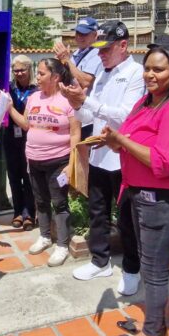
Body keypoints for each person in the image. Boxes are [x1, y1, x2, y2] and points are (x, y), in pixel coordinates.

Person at [102, 43, 169, 336]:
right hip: (140, 195)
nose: (150, 74)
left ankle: (151, 334)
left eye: (158, 69)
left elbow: (165, 161)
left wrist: (121, 141)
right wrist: (117, 142)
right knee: (148, 265)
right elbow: (133, 141)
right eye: (147, 68)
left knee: (155, 270)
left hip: (164, 200)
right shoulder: (146, 103)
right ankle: (153, 320)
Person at [60, 21, 145, 296]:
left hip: (123, 158)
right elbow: (88, 116)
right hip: (98, 154)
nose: (101, 54)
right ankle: (100, 261)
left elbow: (124, 115)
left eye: (106, 49)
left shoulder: (136, 74)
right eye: (99, 49)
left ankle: (132, 269)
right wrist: (76, 103)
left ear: (123, 46)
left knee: (126, 220)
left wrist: (88, 103)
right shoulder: (104, 75)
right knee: (97, 211)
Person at [7, 58, 81, 267]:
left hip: (59, 161)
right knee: (40, 201)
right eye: (37, 73)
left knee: (59, 203)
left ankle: (62, 246)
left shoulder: (68, 100)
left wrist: (72, 162)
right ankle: (45, 236)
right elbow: (26, 124)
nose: (37, 77)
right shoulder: (33, 98)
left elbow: (75, 132)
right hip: (34, 158)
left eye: (41, 74)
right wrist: (10, 108)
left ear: (55, 77)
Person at [54, 16, 103, 140]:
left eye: (84, 34)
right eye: (78, 33)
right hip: (69, 111)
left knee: (82, 155)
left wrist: (66, 60)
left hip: (87, 116)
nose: (80, 37)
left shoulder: (98, 54)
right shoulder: (75, 54)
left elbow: (86, 81)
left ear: (95, 35)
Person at [3, 55, 37, 230]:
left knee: (28, 177)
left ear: (30, 69)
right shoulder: (7, 88)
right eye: (15, 70)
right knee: (14, 177)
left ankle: (29, 214)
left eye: (22, 69)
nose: (19, 73)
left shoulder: (36, 91)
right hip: (9, 137)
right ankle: (17, 212)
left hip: (29, 137)